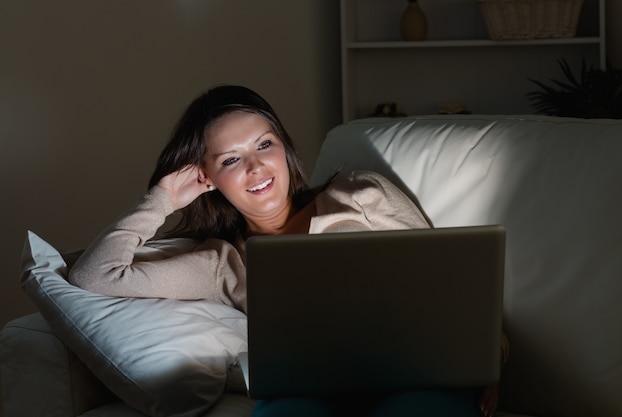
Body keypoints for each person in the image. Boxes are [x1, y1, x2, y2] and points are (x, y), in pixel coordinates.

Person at [69, 85, 506, 417]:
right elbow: (95, 275)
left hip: (416, 377)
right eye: (230, 160)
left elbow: (451, 280)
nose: (256, 167)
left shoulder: (362, 194)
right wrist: (162, 198)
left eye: (264, 145)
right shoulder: (220, 264)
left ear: (283, 148)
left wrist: (491, 359)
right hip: (307, 395)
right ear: (206, 177)